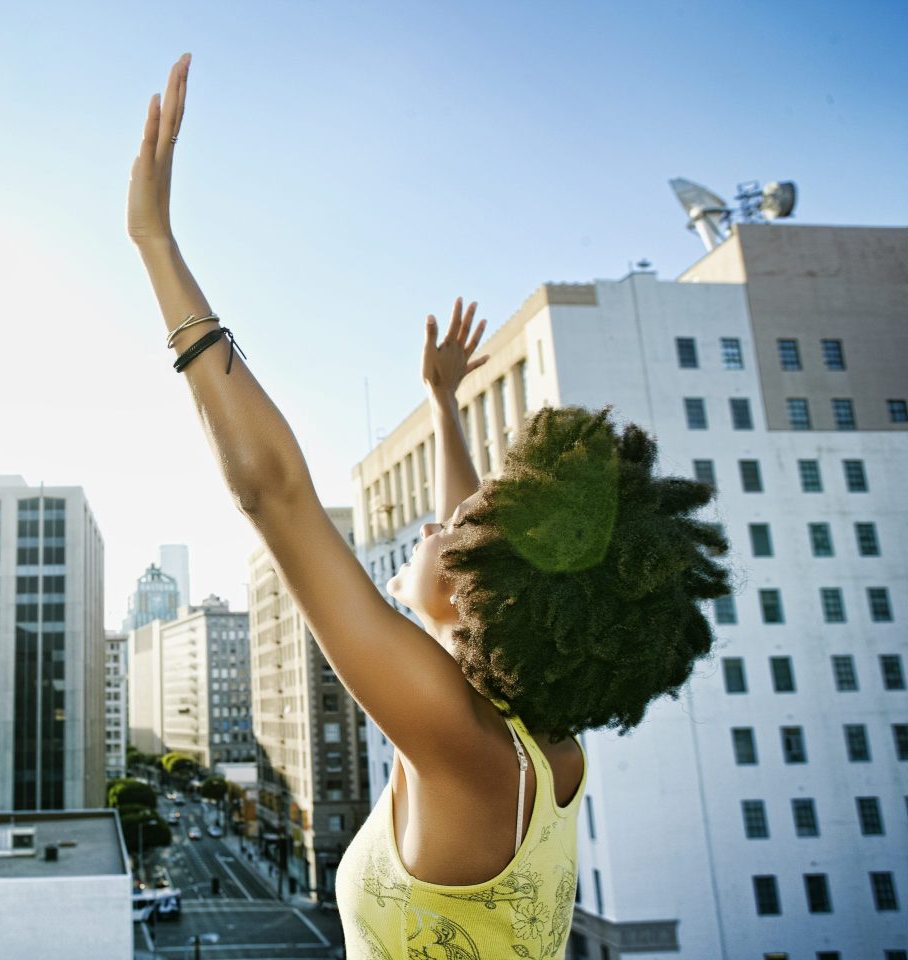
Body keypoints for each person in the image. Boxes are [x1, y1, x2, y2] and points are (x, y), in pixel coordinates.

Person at [127, 55, 730, 959]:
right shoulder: (537, 735)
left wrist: (155, 243)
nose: (440, 520)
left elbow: (275, 493)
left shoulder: (464, 746)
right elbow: (472, 557)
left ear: (489, 592)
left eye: (463, 529)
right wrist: (445, 405)